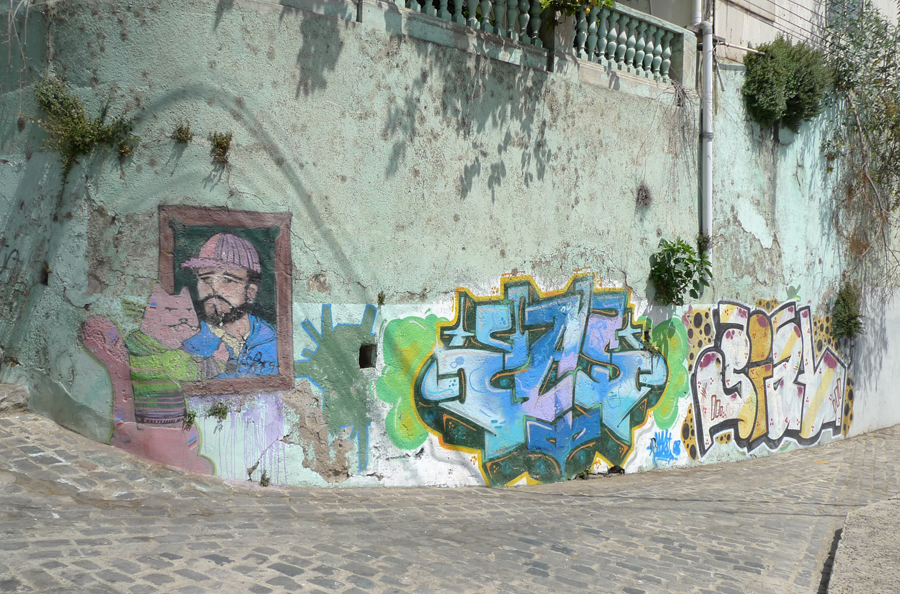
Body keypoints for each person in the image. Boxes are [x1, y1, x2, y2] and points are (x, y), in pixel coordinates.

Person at [180, 233, 278, 377]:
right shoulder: (189, 341)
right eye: (206, 279)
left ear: (250, 292)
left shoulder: (270, 339)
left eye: (228, 280)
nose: (214, 289)